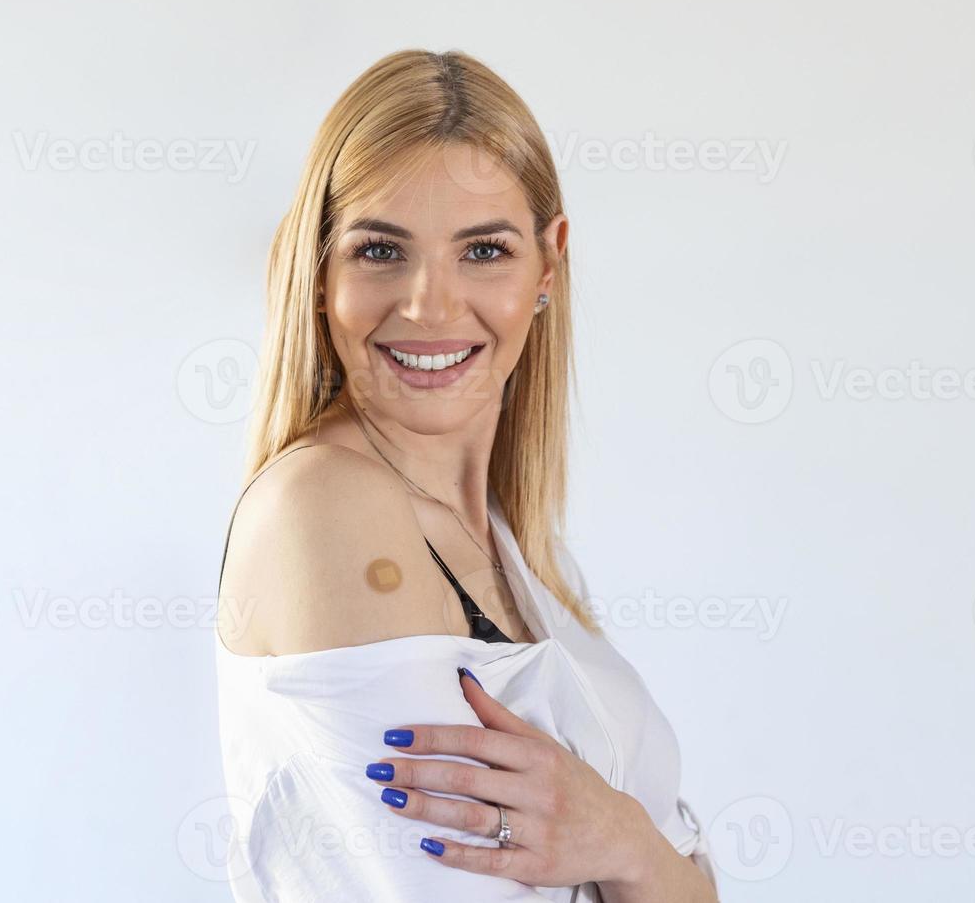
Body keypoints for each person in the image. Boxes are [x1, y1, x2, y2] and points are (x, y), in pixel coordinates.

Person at [214, 49, 720, 902]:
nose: (432, 306)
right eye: (381, 251)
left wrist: (625, 840)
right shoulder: (329, 510)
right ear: (318, 273)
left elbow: (687, 878)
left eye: (483, 250)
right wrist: (636, 860)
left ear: (547, 267)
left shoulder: (519, 547)